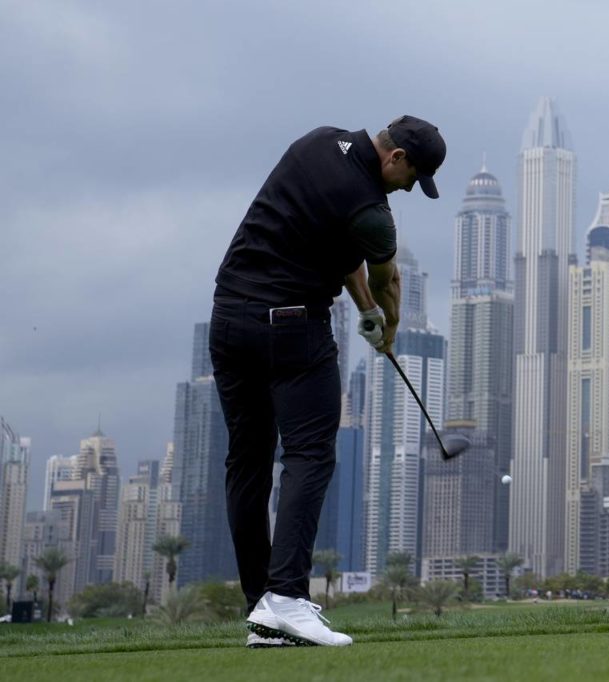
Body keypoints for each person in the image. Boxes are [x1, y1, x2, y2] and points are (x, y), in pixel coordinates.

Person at [208, 115, 446, 648]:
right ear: (397, 158)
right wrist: (388, 328)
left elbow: (338, 250)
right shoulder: (374, 214)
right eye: (413, 178)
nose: (409, 189)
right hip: (292, 328)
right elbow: (388, 281)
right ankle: (287, 597)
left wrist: (364, 313)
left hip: (229, 319)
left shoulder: (318, 141)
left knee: (247, 463)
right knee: (310, 455)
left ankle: (262, 609)